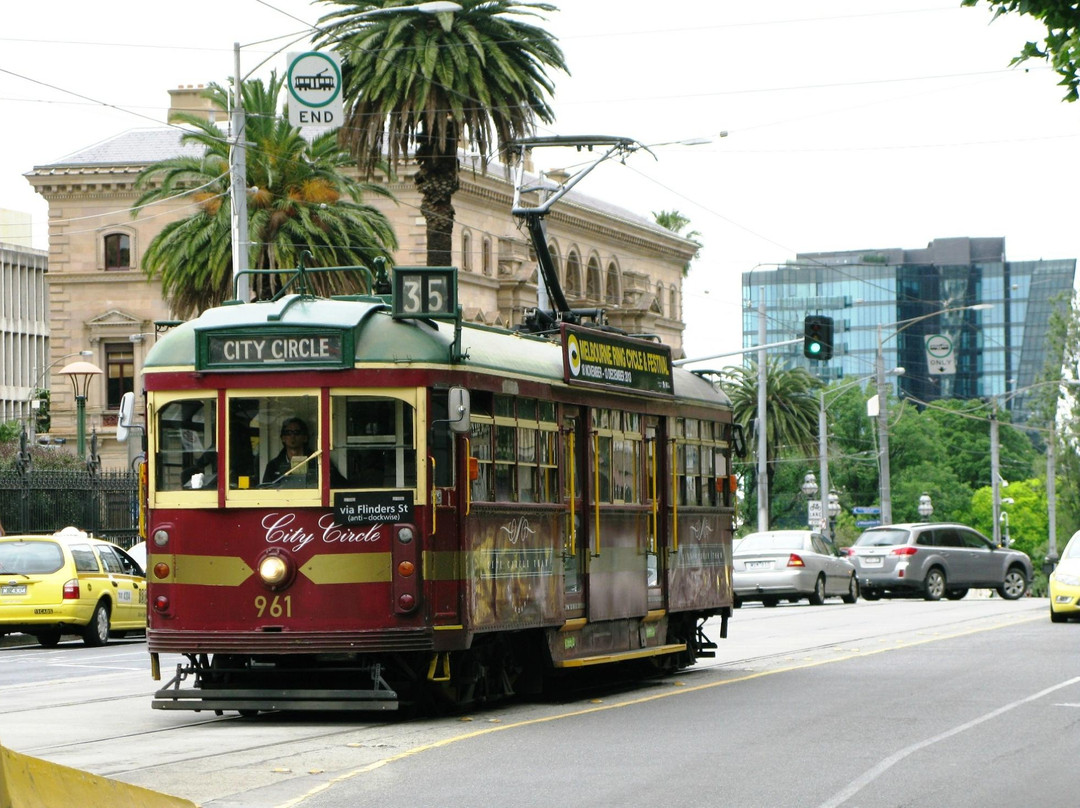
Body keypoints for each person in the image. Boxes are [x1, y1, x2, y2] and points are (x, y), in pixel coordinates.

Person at [262, 417, 317, 487]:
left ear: (305, 438)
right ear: (283, 438)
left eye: (297, 432)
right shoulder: (273, 466)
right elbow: (266, 490)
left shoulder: (318, 462)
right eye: (288, 433)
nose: (292, 436)